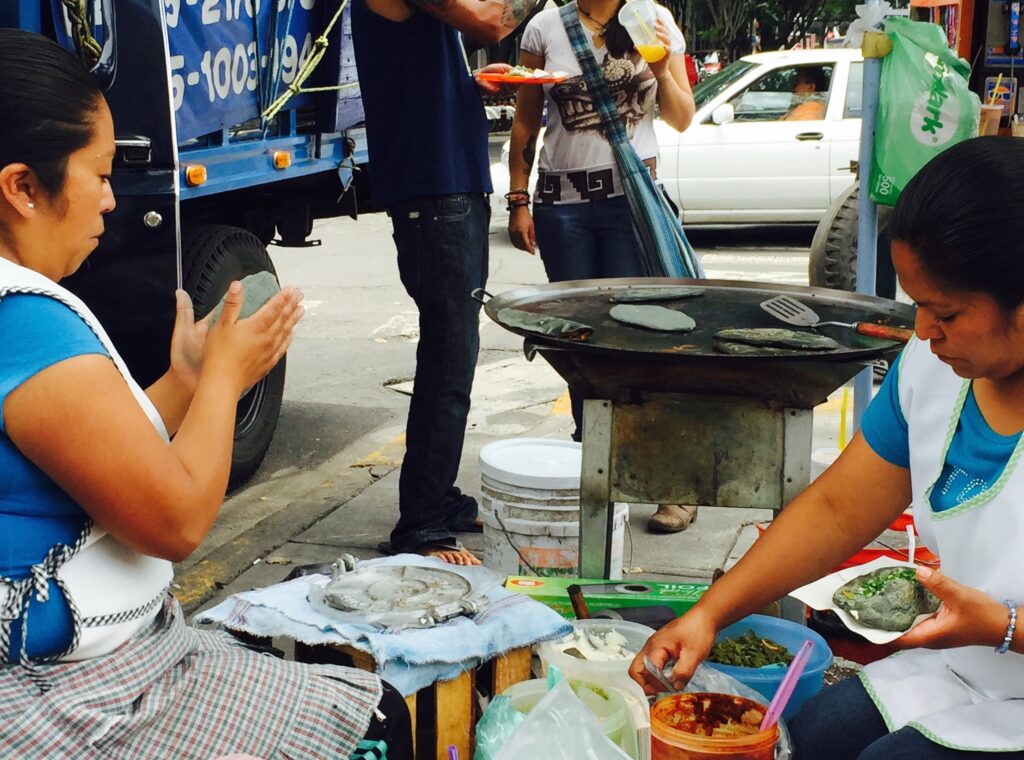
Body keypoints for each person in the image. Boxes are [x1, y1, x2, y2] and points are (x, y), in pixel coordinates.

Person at [0, 30, 412, 759]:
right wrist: (223, 377)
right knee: (374, 719)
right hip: (58, 694)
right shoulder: (26, 324)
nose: (108, 200)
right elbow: (176, 518)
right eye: (98, 175)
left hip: (63, 666)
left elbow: (95, 453)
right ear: (24, 187)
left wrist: (186, 381)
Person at [630, 137, 1024, 758]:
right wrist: (709, 613)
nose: (922, 331)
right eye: (917, 306)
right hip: (964, 666)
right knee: (804, 738)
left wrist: (1006, 629)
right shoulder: (931, 369)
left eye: (944, 311)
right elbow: (839, 508)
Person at [351, 0, 540, 566]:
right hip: (433, 193)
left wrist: (466, 85)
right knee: (448, 357)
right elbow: (490, 20)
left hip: (448, 186)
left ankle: (441, 499)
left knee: (457, 352)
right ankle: (423, 525)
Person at [506, 0, 698, 534]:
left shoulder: (653, 20)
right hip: (562, 207)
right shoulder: (545, 26)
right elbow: (526, 122)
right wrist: (518, 199)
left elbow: (682, 116)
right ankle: (594, 471)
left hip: (628, 204)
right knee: (577, 342)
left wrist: (660, 67)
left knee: (640, 338)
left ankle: (669, 483)